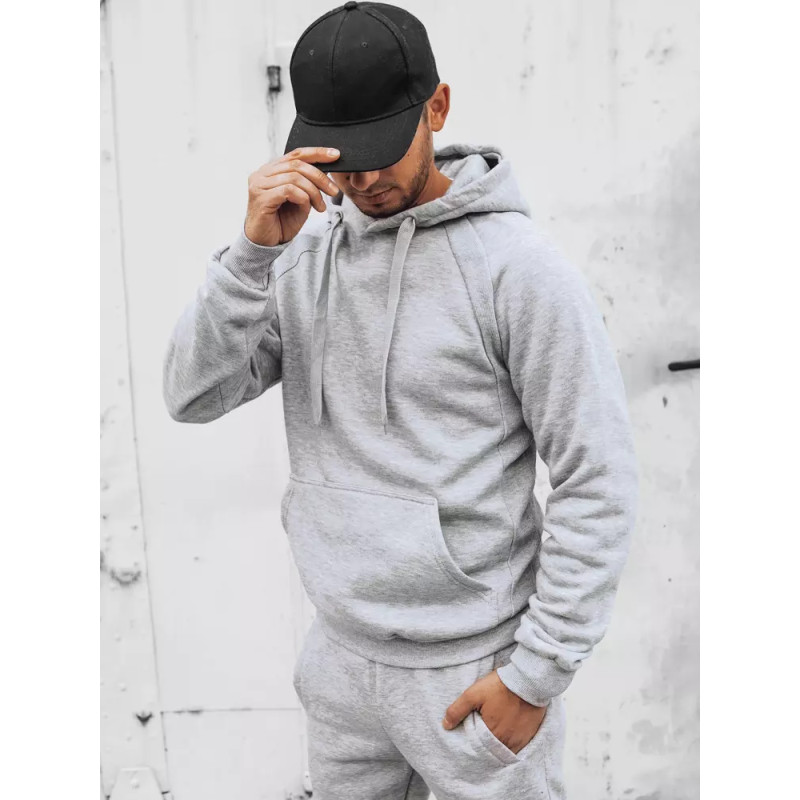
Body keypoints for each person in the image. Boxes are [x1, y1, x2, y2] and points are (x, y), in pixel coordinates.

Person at [162, 2, 639, 798]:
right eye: (343, 160)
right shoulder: (300, 257)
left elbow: (599, 478)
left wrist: (535, 677)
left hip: (474, 666)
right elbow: (192, 393)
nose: (364, 180)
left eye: (382, 150)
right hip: (341, 663)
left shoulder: (517, 270)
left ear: (437, 108)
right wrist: (249, 256)